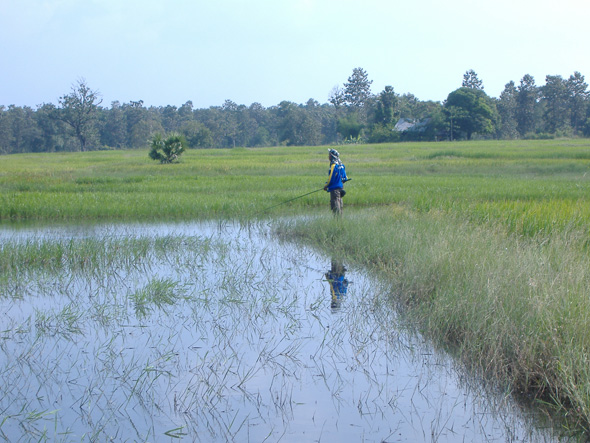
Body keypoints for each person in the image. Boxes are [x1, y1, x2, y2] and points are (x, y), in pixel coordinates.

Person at [324, 149, 348, 216]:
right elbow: (345, 178)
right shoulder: (341, 165)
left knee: (335, 208)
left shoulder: (333, 166)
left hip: (334, 190)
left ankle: (337, 224)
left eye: (329, 155)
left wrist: (326, 185)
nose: (328, 157)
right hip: (341, 189)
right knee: (340, 207)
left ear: (332, 156)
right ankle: (340, 223)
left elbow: (331, 178)